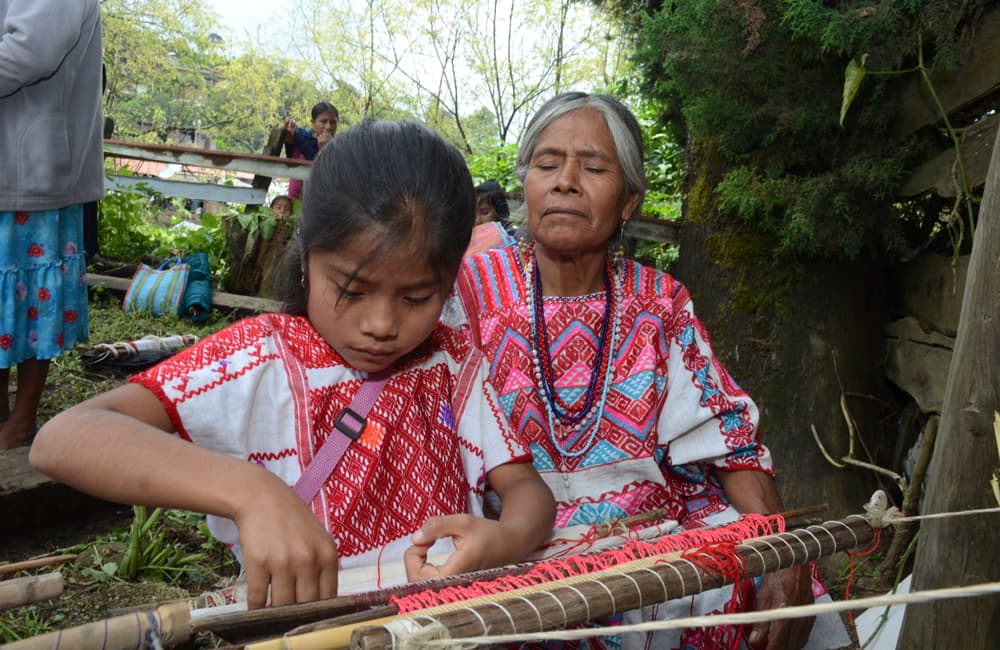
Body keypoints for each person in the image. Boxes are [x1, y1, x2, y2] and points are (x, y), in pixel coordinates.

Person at [30, 119, 556, 609]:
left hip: (442, 625)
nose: (381, 324)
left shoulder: (452, 362)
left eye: (417, 298)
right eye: (351, 289)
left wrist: (507, 537)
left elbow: (526, 490)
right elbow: (66, 438)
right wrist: (251, 492)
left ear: (448, 283)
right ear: (306, 258)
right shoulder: (260, 357)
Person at [458, 93, 846, 649]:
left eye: (593, 168)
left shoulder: (659, 302)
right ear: (526, 186)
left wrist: (781, 554)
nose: (565, 181)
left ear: (629, 203)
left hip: (657, 538)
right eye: (547, 165)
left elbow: (729, 438)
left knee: (764, 586)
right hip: (515, 548)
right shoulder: (471, 293)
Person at [0, 0, 103, 449]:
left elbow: (29, 53)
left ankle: (21, 423)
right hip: (19, 165)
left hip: (32, 166)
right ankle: (4, 416)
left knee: (26, 294)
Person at [282, 101, 339, 200]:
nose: (329, 127)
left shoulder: (340, 148)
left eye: (333, 122)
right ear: (313, 123)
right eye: (323, 121)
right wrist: (286, 125)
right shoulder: (301, 136)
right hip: (294, 201)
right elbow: (284, 132)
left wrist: (325, 150)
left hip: (321, 203)